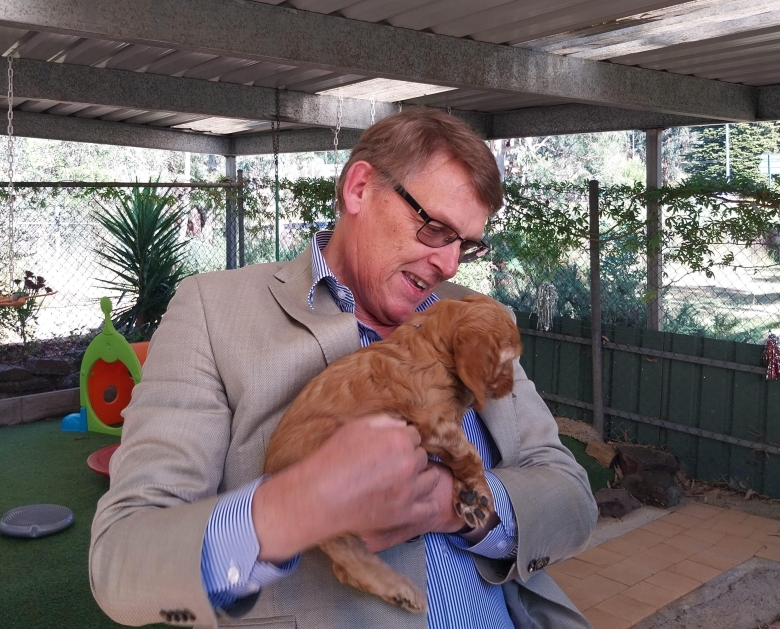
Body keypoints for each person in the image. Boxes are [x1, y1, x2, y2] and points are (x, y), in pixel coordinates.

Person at [90, 109, 597, 629]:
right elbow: (120, 562)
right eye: (435, 229)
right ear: (359, 189)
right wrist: (292, 509)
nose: (449, 265)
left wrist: (447, 504)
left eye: (464, 245)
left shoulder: (480, 319)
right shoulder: (212, 312)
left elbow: (572, 496)